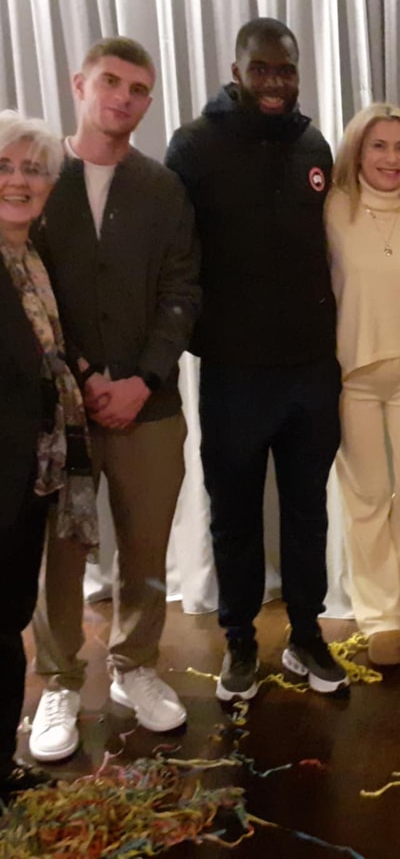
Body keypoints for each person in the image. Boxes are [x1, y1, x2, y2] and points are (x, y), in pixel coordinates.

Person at [165, 17, 347, 699]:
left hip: (311, 369)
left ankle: (306, 635)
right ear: (236, 70)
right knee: (234, 514)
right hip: (234, 372)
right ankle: (239, 642)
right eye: (262, 68)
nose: (275, 81)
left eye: (286, 69)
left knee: (307, 512)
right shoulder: (194, 146)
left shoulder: (314, 144)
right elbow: (175, 256)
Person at [29, 38, 199, 763]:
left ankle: (136, 664)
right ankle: (61, 678)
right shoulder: (37, 177)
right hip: (57, 410)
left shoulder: (163, 188)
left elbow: (183, 291)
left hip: (149, 406)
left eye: (138, 90)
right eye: (111, 82)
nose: (123, 98)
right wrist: (82, 376)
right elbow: (28, 287)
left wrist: (142, 380)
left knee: (146, 544)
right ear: (80, 84)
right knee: (60, 550)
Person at [0, 109, 97, 798]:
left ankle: (1, 767)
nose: (19, 180)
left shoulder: (31, 254)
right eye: (5, 166)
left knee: (7, 623)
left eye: (33, 170)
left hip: (30, 470)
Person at [325, 104, 400, 666]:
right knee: (367, 500)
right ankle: (381, 617)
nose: (391, 158)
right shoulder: (333, 208)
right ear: (357, 150)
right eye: (379, 145)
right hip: (353, 375)